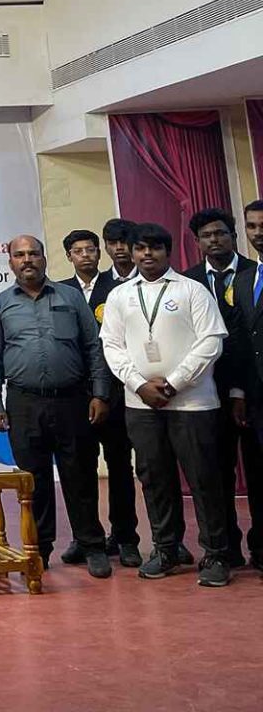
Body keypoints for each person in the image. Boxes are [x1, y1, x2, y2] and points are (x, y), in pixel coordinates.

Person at [101, 222, 231, 586]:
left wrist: (174, 384)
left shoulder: (192, 290)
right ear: (132, 252)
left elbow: (211, 341)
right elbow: (111, 346)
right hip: (141, 405)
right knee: (154, 479)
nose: (147, 254)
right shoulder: (120, 296)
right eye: (140, 248)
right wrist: (139, 384)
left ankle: (216, 554)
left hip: (192, 403)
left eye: (155, 248)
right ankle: (166, 549)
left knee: (204, 480)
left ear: (167, 252)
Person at [0, 237, 112, 578]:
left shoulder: (70, 297)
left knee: (80, 475)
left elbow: (93, 347)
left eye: (33, 254)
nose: (27, 260)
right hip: (23, 402)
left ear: (44, 258)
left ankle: (92, 545)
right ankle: (38, 549)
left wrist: (99, 393)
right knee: (33, 481)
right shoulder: (0, 304)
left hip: (72, 399)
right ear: (10, 262)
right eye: (19, 255)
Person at [183, 207, 263, 568]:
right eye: (206, 235)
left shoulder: (252, 273)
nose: (214, 240)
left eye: (220, 233)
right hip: (204, 392)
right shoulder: (187, 282)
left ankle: (260, 546)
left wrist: (239, 391)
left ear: (233, 235)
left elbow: (246, 339)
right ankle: (225, 547)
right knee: (215, 473)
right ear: (197, 242)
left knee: (258, 471)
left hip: (251, 390)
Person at [62, 228, 141, 568]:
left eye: (91, 249)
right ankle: (85, 537)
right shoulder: (60, 291)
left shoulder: (118, 288)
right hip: (75, 395)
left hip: (116, 392)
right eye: (78, 251)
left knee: (120, 466)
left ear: (100, 252)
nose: (86, 255)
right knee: (79, 469)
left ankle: (125, 537)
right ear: (69, 256)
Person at [225, 235, 263, 572]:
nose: (258, 232)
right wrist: (238, 392)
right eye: (253, 226)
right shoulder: (243, 280)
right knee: (258, 474)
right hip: (254, 395)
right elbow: (239, 339)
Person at [102, 217, 140, 284]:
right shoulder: (98, 283)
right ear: (106, 248)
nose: (119, 247)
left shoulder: (150, 278)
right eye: (113, 243)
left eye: (124, 242)